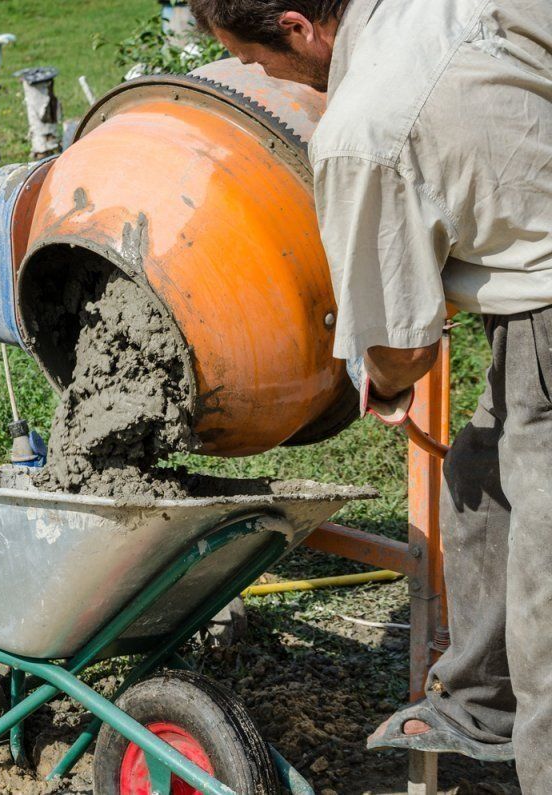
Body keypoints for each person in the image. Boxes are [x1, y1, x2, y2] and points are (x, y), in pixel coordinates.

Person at [187, 0, 552, 787]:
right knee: (479, 472)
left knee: (548, 607)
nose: (259, 77)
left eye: (254, 61)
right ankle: (485, 698)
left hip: (545, 315)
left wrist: (380, 382)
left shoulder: (363, 126)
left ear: (295, 27)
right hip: (528, 309)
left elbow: (401, 344)